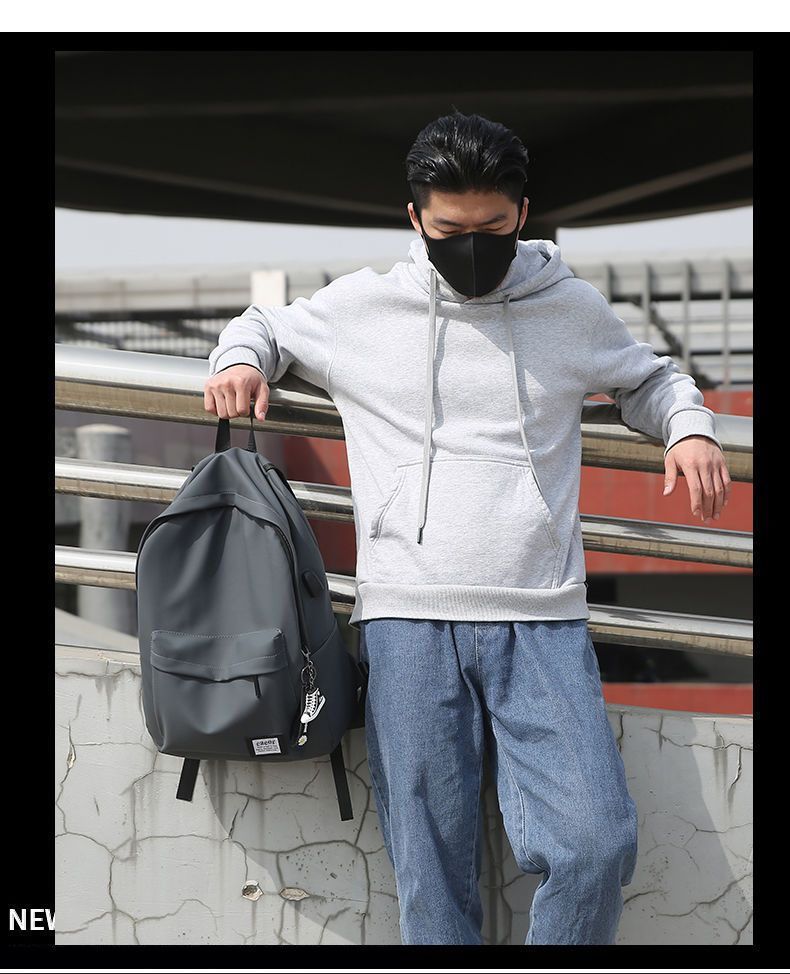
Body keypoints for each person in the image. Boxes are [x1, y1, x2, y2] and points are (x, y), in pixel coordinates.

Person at [203, 111, 731, 945]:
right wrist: (238, 361)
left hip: (542, 618)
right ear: (416, 219)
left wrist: (688, 426)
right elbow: (261, 326)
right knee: (432, 881)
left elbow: (649, 378)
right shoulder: (365, 307)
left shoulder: (569, 307)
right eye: (451, 231)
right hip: (408, 618)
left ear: (523, 213)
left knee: (596, 844)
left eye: (493, 227)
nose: (474, 247)